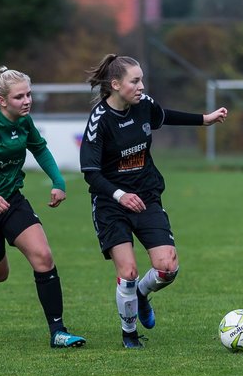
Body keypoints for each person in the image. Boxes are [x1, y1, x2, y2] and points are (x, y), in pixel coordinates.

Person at [80, 54, 228, 348]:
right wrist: (121, 195)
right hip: (111, 203)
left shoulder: (144, 105)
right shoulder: (99, 120)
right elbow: (91, 173)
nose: (141, 86)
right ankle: (130, 335)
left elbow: (165, 115)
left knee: (167, 268)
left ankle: (141, 295)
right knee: (129, 272)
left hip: (147, 196)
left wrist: (204, 120)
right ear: (115, 84)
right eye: (135, 81)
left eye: (141, 79)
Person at [0, 66, 87, 350]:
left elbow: (39, 148)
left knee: (43, 257)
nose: (27, 101)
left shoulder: (24, 122)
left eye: (29, 94)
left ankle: (58, 332)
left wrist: (58, 181)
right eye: (19, 97)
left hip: (11, 201)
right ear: (2, 101)